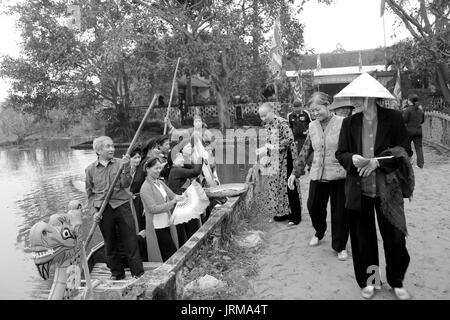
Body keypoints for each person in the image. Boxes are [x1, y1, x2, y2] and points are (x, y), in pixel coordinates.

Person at [335, 72, 413, 300]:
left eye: (357, 97)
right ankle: (370, 281)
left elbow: (404, 151)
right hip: (359, 191)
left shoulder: (394, 118)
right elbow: (341, 153)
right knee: (362, 240)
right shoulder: (349, 122)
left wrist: (377, 162)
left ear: (369, 97)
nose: (353, 102)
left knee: (395, 238)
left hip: (388, 191)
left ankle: (397, 281)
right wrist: (354, 159)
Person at [287, 92, 349, 261]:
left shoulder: (343, 124)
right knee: (313, 205)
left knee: (340, 213)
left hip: (338, 175)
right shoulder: (313, 126)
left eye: (317, 109)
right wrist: (295, 173)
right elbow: (306, 149)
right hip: (317, 173)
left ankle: (340, 245)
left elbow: (350, 149)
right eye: (312, 111)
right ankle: (319, 231)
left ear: (328, 105)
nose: (315, 114)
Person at [85, 136, 144, 280]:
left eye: (112, 146)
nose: (112, 149)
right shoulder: (90, 169)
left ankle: (138, 273)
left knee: (130, 241)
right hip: (104, 209)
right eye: (107, 146)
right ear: (98, 150)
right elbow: (90, 193)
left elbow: (126, 184)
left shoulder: (120, 163)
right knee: (110, 243)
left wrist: (125, 168)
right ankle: (117, 273)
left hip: (122, 205)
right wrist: (94, 212)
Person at [256, 102, 302, 225]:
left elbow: (289, 139)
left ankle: (295, 216)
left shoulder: (282, 123)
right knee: (277, 185)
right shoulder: (268, 125)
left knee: (289, 185)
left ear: (272, 112)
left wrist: (270, 147)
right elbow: (269, 141)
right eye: (261, 116)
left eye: (265, 115)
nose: (263, 118)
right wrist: (266, 150)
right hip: (275, 158)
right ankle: (283, 213)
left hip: (287, 157)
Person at [140, 156, 183, 262]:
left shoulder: (160, 183)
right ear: (148, 169)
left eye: (160, 168)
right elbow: (153, 209)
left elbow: (173, 195)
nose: (158, 171)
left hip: (167, 222)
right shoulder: (145, 188)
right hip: (156, 226)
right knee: (170, 253)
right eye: (156, 168)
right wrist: (172, 203)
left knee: (170, 252)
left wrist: (187, 196)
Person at [168, 139, 203, 246]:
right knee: (190, 231)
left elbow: (193, 168)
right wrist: (200, 156)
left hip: (183, 205)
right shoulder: (176, 170)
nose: (182, 158)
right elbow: (195, 171)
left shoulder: (178, 168)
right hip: (182, 206)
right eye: (179, 157)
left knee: (188, 231)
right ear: (173, 161)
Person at [403, 93, 425, 168]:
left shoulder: (408, 109)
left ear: (409, 101)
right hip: (418, 130)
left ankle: (409, 160)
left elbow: (404, 120)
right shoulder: (420, 110)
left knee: (406, 146)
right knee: (419, 148)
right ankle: (420, 164)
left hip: (409, 131)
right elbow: (422, 121)